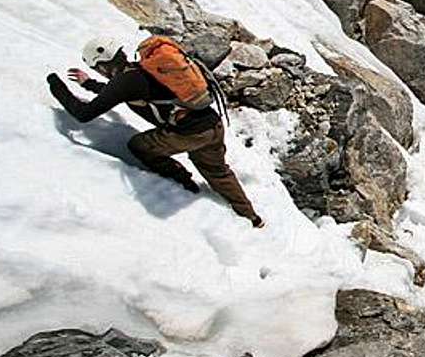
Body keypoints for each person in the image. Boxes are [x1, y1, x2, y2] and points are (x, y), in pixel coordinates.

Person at [47, 35, 264, 228]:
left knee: (139, 146)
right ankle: (251, 217)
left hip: (188, 134)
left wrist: (55, 85)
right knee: (218, 172)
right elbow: (115, 92)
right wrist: (89, 84)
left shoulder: (126, 81)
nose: (99, 73)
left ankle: (181, 180)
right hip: (211, 125)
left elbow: (84, 114)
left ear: (103, 65)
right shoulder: (142, 70)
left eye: (98, 70)